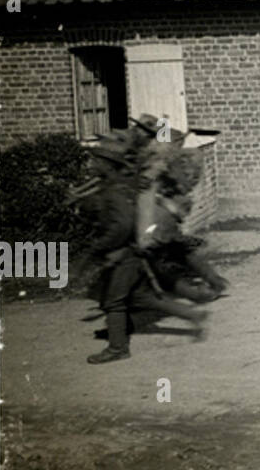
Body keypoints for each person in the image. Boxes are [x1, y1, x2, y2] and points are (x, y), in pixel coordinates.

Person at [82, 139, 207, 363]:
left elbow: (122, 225)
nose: (93, 164)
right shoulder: (121, 185)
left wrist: (103, 246)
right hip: (134, 253)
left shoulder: (115, 189)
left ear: (108, 164)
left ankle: (118, 348)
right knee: (143, 298)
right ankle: (192, 314)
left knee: (114, 302)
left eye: (97, 160)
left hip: (124, 254)